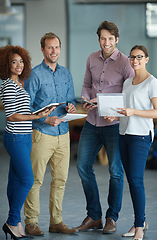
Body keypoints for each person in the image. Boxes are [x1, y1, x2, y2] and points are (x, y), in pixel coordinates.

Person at [76, 20, 134, 233]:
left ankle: (112, 218)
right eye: (103, 38)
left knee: (115, 172)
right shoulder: (91, 58)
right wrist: (86, 97)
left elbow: (131, 94)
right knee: (83, 167)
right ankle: (94, 216)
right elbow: (86, 84)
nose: (106, 42)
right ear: (99, 39)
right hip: (92, 121)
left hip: (114, 125)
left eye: (110, 38)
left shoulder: (125, 63)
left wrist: (116, 112)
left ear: (116, 39)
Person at [23, 32, 77, 236]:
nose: (54, 51)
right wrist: (45, 119)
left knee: (60, 180)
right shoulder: (34, 74)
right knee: (35, 180)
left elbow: (70, 100)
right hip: (42, 133)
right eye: (50, 47)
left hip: (63, 133)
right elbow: (27, 106)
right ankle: (31, 222)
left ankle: (56, 221)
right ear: (43, 49)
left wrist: (71, 107)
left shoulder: (66, 74)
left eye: (57, 47)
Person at [105, 45, 157, 240]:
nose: (135, 60)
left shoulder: (152, 82)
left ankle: (139, 226)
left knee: (136, 181)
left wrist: (133, 112)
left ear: (147, 59)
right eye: (132, 57)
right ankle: (141, 221)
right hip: (124, 134)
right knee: (131, 181)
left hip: (141, 136)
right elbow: (126, 110)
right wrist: (115, 116)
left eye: (139, 57)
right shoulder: (128, 82)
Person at [0, 45, 54, 240]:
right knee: (27, 179)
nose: (19, 65)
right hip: (15, 137)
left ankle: (16, 223)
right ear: (6, 65)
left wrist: (39, 114)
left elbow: (22, 112)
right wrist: (36, 116)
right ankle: (12, 221)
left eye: (21, 61)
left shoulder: (19, 84)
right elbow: (12, 116)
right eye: (14, 62)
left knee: (15, 180)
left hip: (24, 137)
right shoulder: (7, 85)